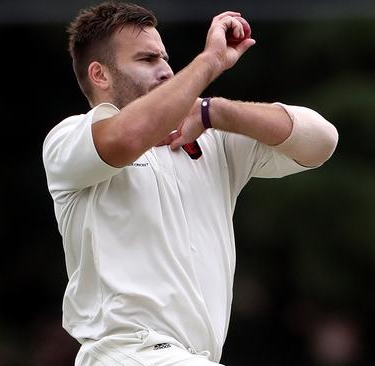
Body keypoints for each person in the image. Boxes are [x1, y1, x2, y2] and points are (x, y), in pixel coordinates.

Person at [42, 2, 338, 365]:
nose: (166, 70)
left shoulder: (210, 136)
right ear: (100, 75)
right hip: (126, 353)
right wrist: (210, 61)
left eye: (165, 58)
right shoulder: (69, 139)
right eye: (147, 60)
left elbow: (321, 141)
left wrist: (216, 112)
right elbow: (125, 137)